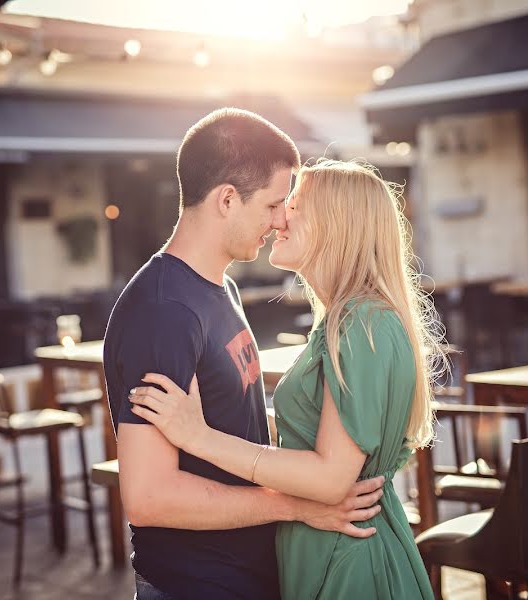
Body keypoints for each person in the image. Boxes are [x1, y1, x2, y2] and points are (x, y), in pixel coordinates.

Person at [129, 159, 445, 599]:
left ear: (336, 224)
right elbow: (324, 433)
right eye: (279, 203)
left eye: (293, 204)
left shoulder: (362, 322)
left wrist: (197, 436)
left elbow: (332, 479)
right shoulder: (345, 319)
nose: (280, 217)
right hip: (328, 549)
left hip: (347, 559)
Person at [103, 110, 386, 600]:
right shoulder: (164, 311)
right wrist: (295, 504)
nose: (282, 220)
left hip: (247, 576)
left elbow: (235, 423)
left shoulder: (220, 289)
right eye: (275, 204)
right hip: (196, 585)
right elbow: (149, 498)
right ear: (227, 199)